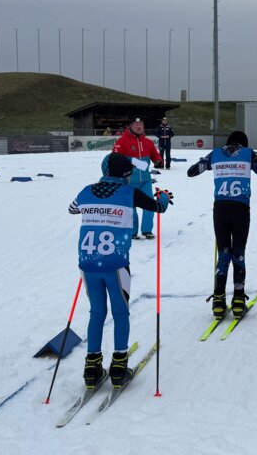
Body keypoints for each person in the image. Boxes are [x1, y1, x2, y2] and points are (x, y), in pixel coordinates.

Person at [68, 153, 173, 389]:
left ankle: (92, 367)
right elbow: (158, 207)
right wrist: (164, 196)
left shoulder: (86, 191)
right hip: (116, 264)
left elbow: (72, 209)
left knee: (96, 313)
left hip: (87, 263)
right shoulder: (130, 192)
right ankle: (118, 366)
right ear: (127, 174)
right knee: (120, 312)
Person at [187, 131, 257, 320]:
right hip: (240, 208)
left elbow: (192, 172)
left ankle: (218, 301)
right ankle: (238, 300)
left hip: (220, 209)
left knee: (224, 253)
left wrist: (208, 161)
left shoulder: (216, 154)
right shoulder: (249, 154)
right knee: (238, 253)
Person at [112, 118, 164, 240]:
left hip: (145, 180)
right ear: (131, 126)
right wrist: (128, 163)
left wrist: (158, 161)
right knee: (131, 207)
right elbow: (115, 158)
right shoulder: (122, 141)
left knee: (150, 204)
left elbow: (155, 155)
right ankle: (133, 232)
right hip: (129, 181)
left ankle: (147, 230)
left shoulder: (148, 142)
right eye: (137, 124)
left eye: (141, 124)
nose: (139, 126)